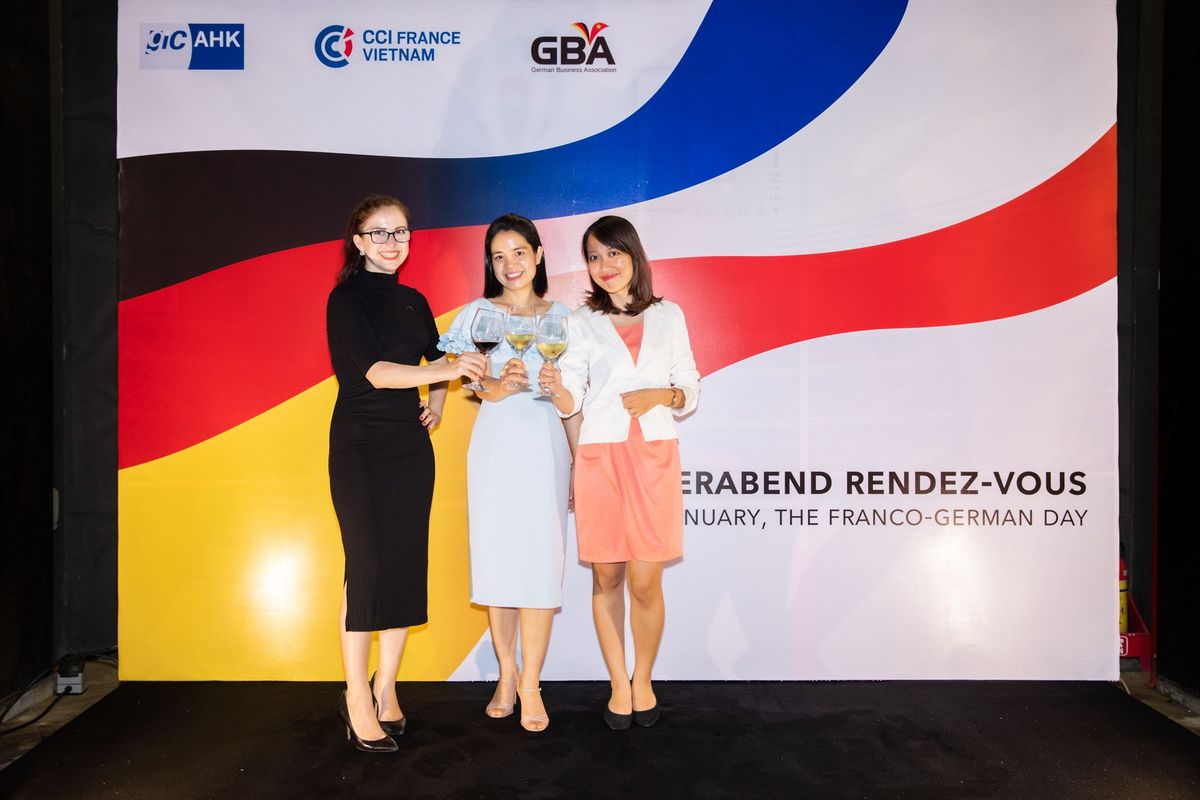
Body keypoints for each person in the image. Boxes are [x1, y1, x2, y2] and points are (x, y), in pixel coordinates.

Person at [326, 194, 487, 752]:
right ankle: (355, 698)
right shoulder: (346, 299)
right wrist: (447, 370)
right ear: (358, 241)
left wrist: (438, 402)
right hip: (361, 446)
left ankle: (386, 687)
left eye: (400, 232)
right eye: (379, 232)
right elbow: (376, 372)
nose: (392, 243)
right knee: (367, 566)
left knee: (405, 563)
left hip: (410, 449)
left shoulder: (414, 301)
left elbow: (438, 359)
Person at [539, 215, 699, 730]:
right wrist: (557, 389)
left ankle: (643, 678)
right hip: (599, 456)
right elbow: (572, 396)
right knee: (607, 576)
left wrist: (661, 395)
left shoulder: (669, 315)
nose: (604, 265)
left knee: (646, 581)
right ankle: (618, 683)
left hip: (653, 455)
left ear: (633, 254)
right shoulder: (581, 322)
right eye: (593, 256)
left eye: (613, 253)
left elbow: (690, 387)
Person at [440, 213, 578, 733]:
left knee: (540, 565)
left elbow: (573, 398)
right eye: (498, 256)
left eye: (519, 252)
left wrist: (578, 462)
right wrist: (490, 387)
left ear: (538, 255)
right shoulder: (478, 314)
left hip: (545, 448)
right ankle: (506, 674)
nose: (510, 264)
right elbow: (459, 372)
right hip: (495, 447)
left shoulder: (563, 318)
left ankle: (531, 683)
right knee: (498, 565)